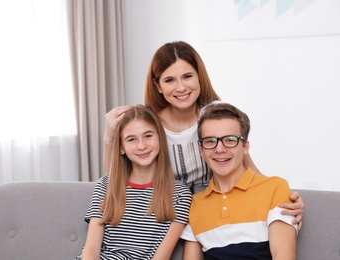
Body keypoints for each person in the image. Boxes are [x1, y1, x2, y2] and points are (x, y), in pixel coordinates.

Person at [103, 41, 304, 228]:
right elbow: (115, 181)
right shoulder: (149, 125)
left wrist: (281, 197)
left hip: (216, 204)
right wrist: (109, 139)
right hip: (167, 210)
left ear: (199, 76)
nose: (181, 87)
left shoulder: (216, 116)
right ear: (158, 86)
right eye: (170, 80)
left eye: (187, 76)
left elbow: (247, 167)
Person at [180, 102, 297, 259]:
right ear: (201, 149)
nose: (219, 149)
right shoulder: (195, 204)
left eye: (230, 140)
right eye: (210, 141)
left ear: (245, 146)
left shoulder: (275, 188)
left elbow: (283, 256)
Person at [78, 105, 192, 260]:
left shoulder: (180, 194)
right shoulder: (105, 185)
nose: (142, 146)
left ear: (160, 137)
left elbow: (162, 257)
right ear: (121, 148)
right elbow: (91, 249)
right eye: (131, 139)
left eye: (148, 136)